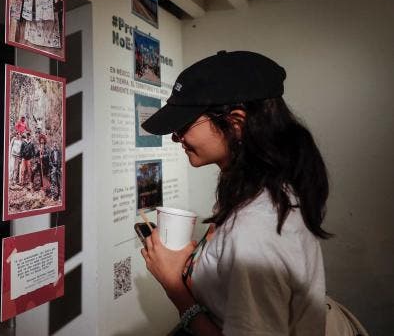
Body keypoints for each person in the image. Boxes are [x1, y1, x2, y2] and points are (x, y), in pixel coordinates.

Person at [139, 51, 330, 335]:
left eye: (184, 125)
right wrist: (196, 263)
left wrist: (175, 288)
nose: (175, 137)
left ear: (236, 122)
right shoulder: (260, 191)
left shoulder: (257, 227)